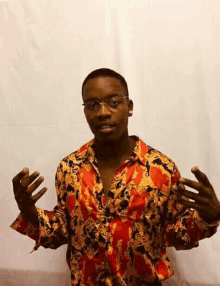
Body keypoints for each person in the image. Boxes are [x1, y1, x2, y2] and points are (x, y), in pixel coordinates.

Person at [10, 68, 220, 286]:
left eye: (113, 102)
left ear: (129, 107)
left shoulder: (161, 170)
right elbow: (63, 231)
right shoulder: (69, 169)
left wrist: (209, 216)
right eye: (92, 105)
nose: (102, 112)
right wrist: (31, 215)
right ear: (84, 112)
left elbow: (176, 234)